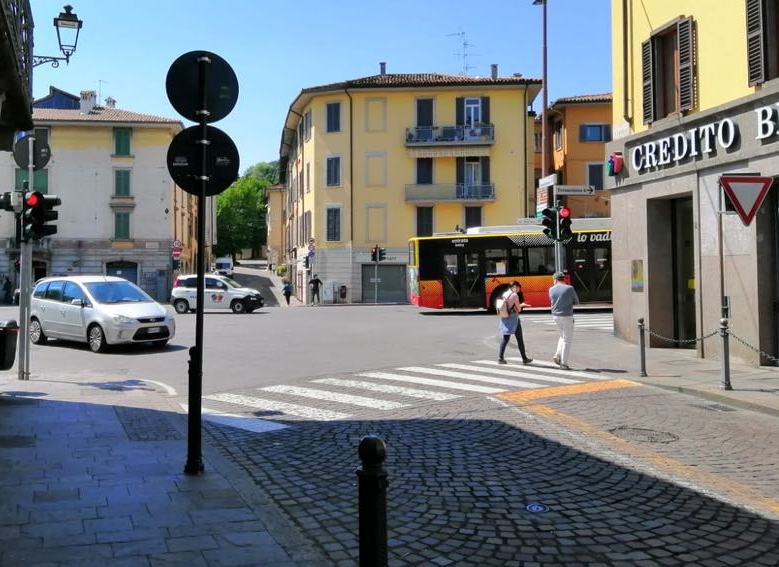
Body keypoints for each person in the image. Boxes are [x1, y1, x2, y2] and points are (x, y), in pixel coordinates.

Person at [549, 271, 579, 370]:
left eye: (553, 279)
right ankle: (564, 363)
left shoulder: (551, 289)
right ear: (563, 279)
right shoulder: (570, 288)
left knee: (562, 336)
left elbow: (552, 301)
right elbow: (576, 302)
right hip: (567, 316)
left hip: (555, 316)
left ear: (556, 279)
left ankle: (557, 355)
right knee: (567, 339)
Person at [497, 281, 533, 365]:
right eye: (518, 288)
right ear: (514, 287)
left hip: (505, 317)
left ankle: (500, 357)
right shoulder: (514, 295)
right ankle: (524, 358)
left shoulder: (505, 294)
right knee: (519, 339)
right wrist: (522, 305)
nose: (518, 290)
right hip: (514, 319)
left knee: (505, 338)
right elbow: (519, 309)